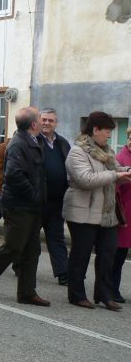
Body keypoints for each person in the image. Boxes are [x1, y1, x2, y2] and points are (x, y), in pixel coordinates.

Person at [0, 107, 51, 306]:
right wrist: (35, 194)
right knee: (13, 246)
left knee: (32, 250)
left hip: (32, 206)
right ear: (34, 124)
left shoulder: (35, 141)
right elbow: (14, 175)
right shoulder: (19, 143)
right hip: (18, 205)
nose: (44, 123)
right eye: (40, 119)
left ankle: (27, 292)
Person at [63, 112, 131, 311]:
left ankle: (104, 293)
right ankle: (76, 294)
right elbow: (86, 179)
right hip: (82, 211)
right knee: (81, 254)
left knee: (108, 252)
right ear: (95, 130)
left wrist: (125, 171)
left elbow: (117, 169)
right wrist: (115, 174)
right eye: (108, 131)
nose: (109, 135)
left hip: (105, 212)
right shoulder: (77, 151)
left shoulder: (106, 151)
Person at [37, 108, 71, 286]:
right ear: (38, 120)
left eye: (50, 120)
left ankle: (63, 273)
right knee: (30, 237)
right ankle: (20, 266)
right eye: (44, 119)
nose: (47, 123)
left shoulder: (63, 143)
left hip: (57, 201)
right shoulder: (33, 140)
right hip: (37, 200)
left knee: (57, 237)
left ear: (56, 123)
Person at [112, 128, 131, 303]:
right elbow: (115, 189)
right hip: (126, 213)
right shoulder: (120, 158)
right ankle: (112, 289)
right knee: (119, 255)